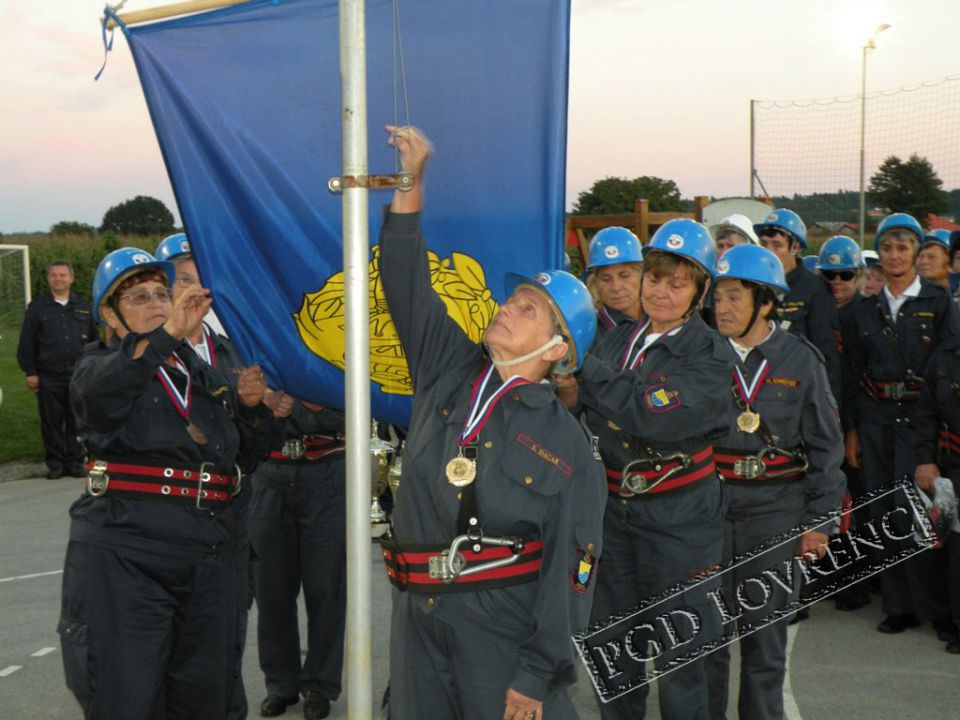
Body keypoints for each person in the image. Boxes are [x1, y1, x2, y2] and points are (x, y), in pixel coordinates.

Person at [378, 126, 605, 720]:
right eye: (513, 299)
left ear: (558, 349)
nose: (508, 307)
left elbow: (571, 571)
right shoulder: (448, 369)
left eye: (528, 308)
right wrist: (411, 179)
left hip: (499, 626)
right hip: (416, 614)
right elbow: (405, 281)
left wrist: (538, 674)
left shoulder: (568, 445)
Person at [60, 247, 271, 719]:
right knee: (127, 696)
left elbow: (245, 454)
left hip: (211, 552)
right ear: (109, 316)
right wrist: (170, 333)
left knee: (209, 697)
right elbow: (102, 399)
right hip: (130, 553)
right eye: (137, 297)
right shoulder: (97, 366)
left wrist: (254, 409)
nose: (156, 303)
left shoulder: (200, 372)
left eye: (161, 292)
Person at [575, 218, 734, 720]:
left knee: (681, 655)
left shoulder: (710, 356)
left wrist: (580, 365)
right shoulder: (617, 340)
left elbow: (648, 411)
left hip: (680, 521)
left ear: (700, 290)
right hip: (614, 517)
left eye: (676, 282)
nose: (659, 292)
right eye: (653, 278)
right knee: (611, 649)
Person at [705, 244, 844, 719]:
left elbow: (827, 446)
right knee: (706, 641)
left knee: (765, 645)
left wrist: (819, 521)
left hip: (775, 514)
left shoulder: (801, 360)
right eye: (717, 297)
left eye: (733, 298)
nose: (720, 308)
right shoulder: (698, 355)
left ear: (765, 302)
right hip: (708, 513)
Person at [842, 212, 960, 635]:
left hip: (920, 424)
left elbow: (948, 370)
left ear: (916, 252)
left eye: (903, 247)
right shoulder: (863, 311)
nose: (894, 256)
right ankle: (899, 605)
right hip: (875, 422)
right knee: (882, 511)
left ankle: (941, 610)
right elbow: (852, 374)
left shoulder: (939, 303)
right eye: (888, 248)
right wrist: (852, 429)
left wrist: (936, 439)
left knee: (924, 514)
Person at [248, 396, 347, 720]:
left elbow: (351, 410)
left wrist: (305, 406)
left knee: (326, 588)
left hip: (326, 472)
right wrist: (262, 397)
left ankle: (320, 685)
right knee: (271, 589)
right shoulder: (256, 346)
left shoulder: (332, 347)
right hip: (268, 474)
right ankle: (280, 684)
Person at [817, 235, 873, 611]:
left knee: (855, 507)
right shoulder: (815, 312)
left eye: (845, 274)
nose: (837, 282)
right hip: (820, 423)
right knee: (822, 504)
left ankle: (854, 584)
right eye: (829, 276)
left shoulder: (868, 315)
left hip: (855, 423)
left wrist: (852, 429)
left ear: (860, 277)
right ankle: (829, 578)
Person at [17, 260, 96, 478]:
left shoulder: (83, 306)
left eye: (63, 275)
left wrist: (92, 369)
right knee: (51, 422)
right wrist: (30, 371)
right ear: (48, 279)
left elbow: (93, 342)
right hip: (48, 376)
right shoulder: (38, 308)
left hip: (78, 376)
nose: (58, 279)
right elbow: (27, 342)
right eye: (54, 275)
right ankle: (55, 464)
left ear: (71, 278)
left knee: (77, 422)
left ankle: (75, 462)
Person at [755, 209, 841, 404]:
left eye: (777, 245)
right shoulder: (754, 286)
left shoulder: (815, 290)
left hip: (797, 394)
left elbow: (826, 356)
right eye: (764, 244)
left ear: (795, 248)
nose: (769, 252)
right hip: (758, 391)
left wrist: (829, 410)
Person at [914, 329, 960, 653]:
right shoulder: (945, 356)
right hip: (954, 464)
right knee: (955, 548)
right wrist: (925, 461)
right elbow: (926, 414)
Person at [156, 233, 243, 371]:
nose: (197, 289)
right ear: (163, 288)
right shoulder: (149, 355)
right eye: (185, 280)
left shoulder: (236, 348)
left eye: (204, 279)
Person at [584, 226, 644, 337]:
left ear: (642, 276)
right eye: (606, 279)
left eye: (624, 276)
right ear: (595, 283)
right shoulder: (590, 335)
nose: (616, 287)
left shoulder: (661, 317)